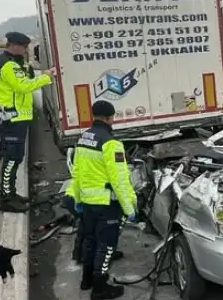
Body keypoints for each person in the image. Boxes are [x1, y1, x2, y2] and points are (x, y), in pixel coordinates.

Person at [69, 100, 137, 300]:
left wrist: (77, 197)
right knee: (106, 245)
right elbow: (119, 179)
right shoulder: (111, 143)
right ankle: (100, 288)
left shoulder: (84, 138)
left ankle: (86, 280)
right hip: (107, 204)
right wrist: (129, 206)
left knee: (90, 241)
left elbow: (77, 171)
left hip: (88, 202)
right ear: (110, 117)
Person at [0, 31, 55, 213]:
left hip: (17, 118)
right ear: (13, 45)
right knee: (12, 159)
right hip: (12, 119)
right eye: (22, 47)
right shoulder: (8, 65)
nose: (24, 50)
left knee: (16, 158)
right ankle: (6, 197)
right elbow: (23, 86)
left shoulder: (15, 63)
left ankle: (11, 194)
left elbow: (26, 80)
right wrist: (46, 77)